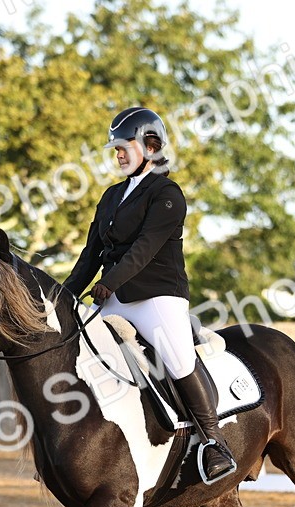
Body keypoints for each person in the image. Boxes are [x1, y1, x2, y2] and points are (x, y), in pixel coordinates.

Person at [63, 107, 237, 484]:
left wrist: (109, 283)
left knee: (176, 359)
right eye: (116, 150)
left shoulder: (167, 194)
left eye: (124, 147)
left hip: (156, 297)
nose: (119, 155)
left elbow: (145, 248)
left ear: (150, 145)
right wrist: (64, 296)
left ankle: (213, 442)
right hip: (113, 297)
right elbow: (90, 254)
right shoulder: (110, 197)